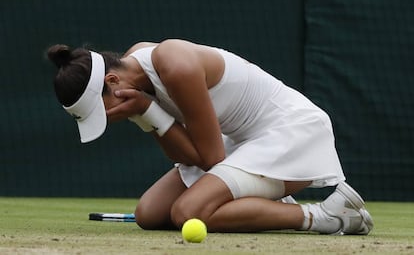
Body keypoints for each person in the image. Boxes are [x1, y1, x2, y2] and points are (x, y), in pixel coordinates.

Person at [47, 39, 373, 234]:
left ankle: (326, 216)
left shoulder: (174, 65)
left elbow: (211, 160)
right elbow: (187, 156)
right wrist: (147, 114)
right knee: (149, 214)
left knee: (186, 213)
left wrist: (148, 110)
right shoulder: (135, 76)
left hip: (291, 133)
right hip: (242, 141)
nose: (109, 118)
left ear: (114, 80)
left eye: (103, 110)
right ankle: (262, 199)